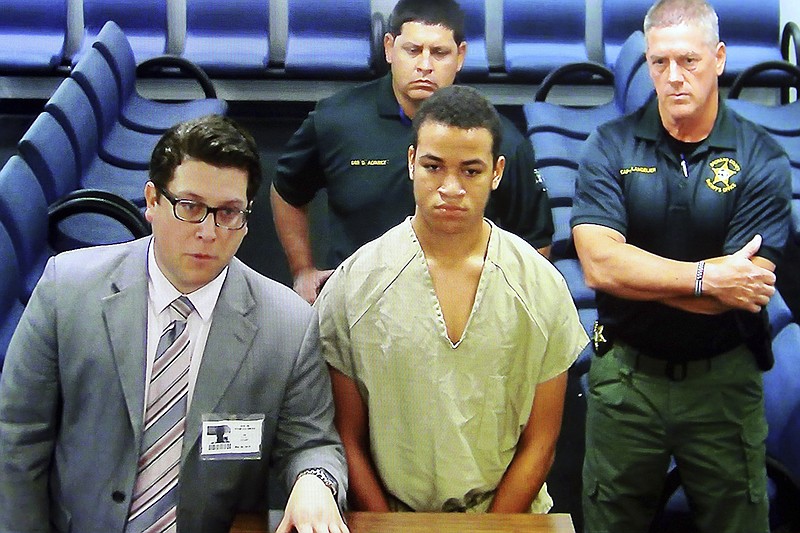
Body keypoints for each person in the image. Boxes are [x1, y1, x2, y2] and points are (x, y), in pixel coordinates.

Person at [0, 115, 349, 533]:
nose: (208, 231)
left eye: (229, 213)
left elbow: (312, 444)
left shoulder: (288, 325)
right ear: (151, 201)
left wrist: (316, 482)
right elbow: (17, 439)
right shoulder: (67, 291)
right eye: (190, 207)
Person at [571, 1, 791, 531]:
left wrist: (637, 278)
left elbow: (746, 288)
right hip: (627, 382)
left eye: (688, 61)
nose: (673, 77)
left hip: (723, 382)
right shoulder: (609, 145)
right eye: (659, 62)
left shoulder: (761, 158)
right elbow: (600, 267)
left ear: (718, 58)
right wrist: (704, 275)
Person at [316, 85, 588, 514]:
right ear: (411, 164)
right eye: (433, 166)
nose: (451, 187)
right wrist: (390, 527)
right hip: (388, 515)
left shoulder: (541, 287)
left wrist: (491, 529)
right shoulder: (354, 285)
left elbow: (541, 442)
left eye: (471, 171)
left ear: (497, 172)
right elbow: (345, 436)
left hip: (505, 518)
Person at [271, 0, 554, 304]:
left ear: (460, 56)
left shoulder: (498, 140)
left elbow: (534, 240)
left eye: (439, 53)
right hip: (357, 302)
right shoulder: (336, 120)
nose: (425, 65)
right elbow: (287, 191)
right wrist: (302, 270)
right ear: (390, 49)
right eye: (413, 50)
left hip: (461, 311)